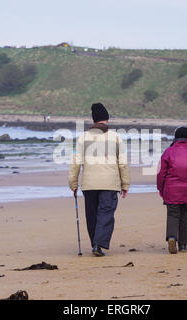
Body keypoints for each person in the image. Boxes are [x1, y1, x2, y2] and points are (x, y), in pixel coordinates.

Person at [68, 103, 130, 257]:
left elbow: (75, 163)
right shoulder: (115, 137)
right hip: (110, 183)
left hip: (89, 184)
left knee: (92, 215)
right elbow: (123, 163)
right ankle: (98, 244)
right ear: (106, 120)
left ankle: (95, 244)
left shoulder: (82, 138)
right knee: (106, 213)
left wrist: (73, 183)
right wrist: (125, 184)